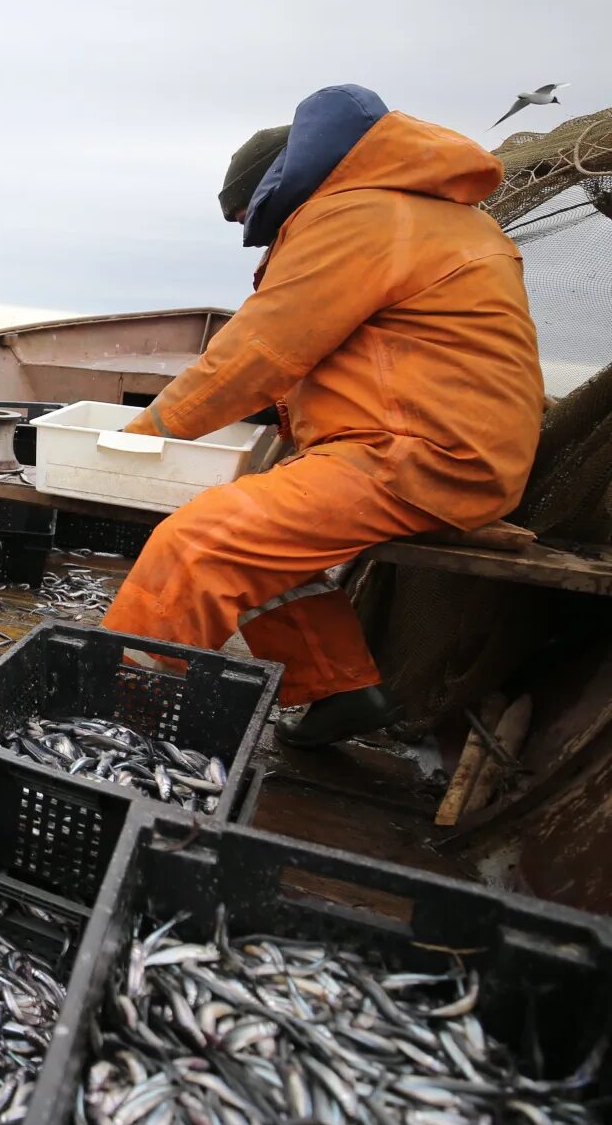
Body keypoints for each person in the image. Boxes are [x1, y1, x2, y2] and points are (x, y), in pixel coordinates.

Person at [100, 84, 544, 746]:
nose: (256, 230)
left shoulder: (358, 217)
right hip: (435, 446)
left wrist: (133, 440)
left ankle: (108, 724)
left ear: (283, 183)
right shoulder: (416, 210)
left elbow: (258, 354)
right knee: (260, 537)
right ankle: (343, 691)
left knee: (197, 544)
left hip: (421, 456)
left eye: (251, 215)